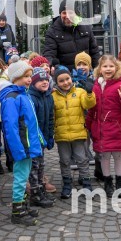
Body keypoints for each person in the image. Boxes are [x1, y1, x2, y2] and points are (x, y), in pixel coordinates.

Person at [0, 61, 41, 226]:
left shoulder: (23, 94)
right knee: (20, 177)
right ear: (15, 77)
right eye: (25, 76)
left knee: (24, 176)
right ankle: (17, 210)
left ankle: (23, 205)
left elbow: (31, 122)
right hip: (21, 145)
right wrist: (17, 149)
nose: (29, 79)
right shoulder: (12, 98)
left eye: (30, 76)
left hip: (27, 144)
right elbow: (10, 126)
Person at [89, 55, 121, 198]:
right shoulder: (96, 85)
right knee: (104, 155)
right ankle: (108, 181)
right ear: (100, 69)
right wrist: (89, 124)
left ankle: (119, 181)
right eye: (105, 66)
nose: (108, 69)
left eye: (111, 66)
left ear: (116, 68)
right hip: (101, 128)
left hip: (116, 128)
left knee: (117, 155)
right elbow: (92, 108)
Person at [52, 66, 95, 198]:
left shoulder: (80, 92)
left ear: (71, 78)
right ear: (56, 83)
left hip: (78, 133)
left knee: (82, 159)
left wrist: (89, 93)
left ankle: (86, 183)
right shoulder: (52, 96)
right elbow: (52, 116)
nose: (65, 83)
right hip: (62, 135)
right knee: (64, 160)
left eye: (67, 79)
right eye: (61, 81)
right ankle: (67, 184)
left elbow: (89, 104)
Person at [42, 0, 102, 70]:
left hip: (85, 73)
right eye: (64, 13)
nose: (67, 16)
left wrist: (98, 71)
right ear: (60, 14)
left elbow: (94, 52)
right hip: (65, 76)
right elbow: (49, 54)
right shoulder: (52, 32)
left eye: (70, 13)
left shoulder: (86, 28)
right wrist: (52, 66)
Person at [27, 67, 55, 208]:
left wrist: (50, 136)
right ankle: (35, 193)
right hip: (34, 140)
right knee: (34, 166)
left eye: (46, 79)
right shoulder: (31, 97)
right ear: (33, 82)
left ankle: (40, 189)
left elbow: (50, 118)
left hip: (43, 138)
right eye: (40, 80)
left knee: (41, 165)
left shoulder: (48, 96)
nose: (44, 82)